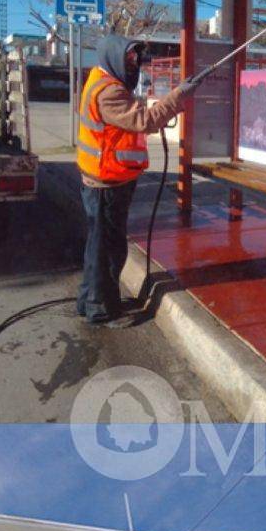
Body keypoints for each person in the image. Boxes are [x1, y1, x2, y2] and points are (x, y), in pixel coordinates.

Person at [76, 34, 195, 326]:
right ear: (113, 57)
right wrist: (178, 96)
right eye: (129, 58)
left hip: (110, 179)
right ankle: (100, 308)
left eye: (135, 58)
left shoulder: (105, 81)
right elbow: (144, 120)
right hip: (106, 183)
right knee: (107, 250)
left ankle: (90, 299)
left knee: (100, 246)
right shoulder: (108, 92)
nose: (134, 64)